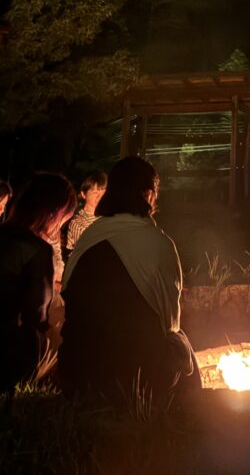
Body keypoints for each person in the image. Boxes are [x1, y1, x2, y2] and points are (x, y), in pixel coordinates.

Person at [59, 156, 201, 405]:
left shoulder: (89, 237)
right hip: (137, 378)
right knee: (181, 344)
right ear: (149, 194)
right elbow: (170, 321)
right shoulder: (159, 242)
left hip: (77, 373)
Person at [0, 173, 76, 393]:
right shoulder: (38, 250)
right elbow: (37, 316)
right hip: (9, 356)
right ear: (54, 214)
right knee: (63, 324)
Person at [66, 170, 107, 253]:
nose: (100, 197)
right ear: (83, 194)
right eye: (95, 192)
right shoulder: (78, 223)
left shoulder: (109, 217)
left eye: (103, 192)